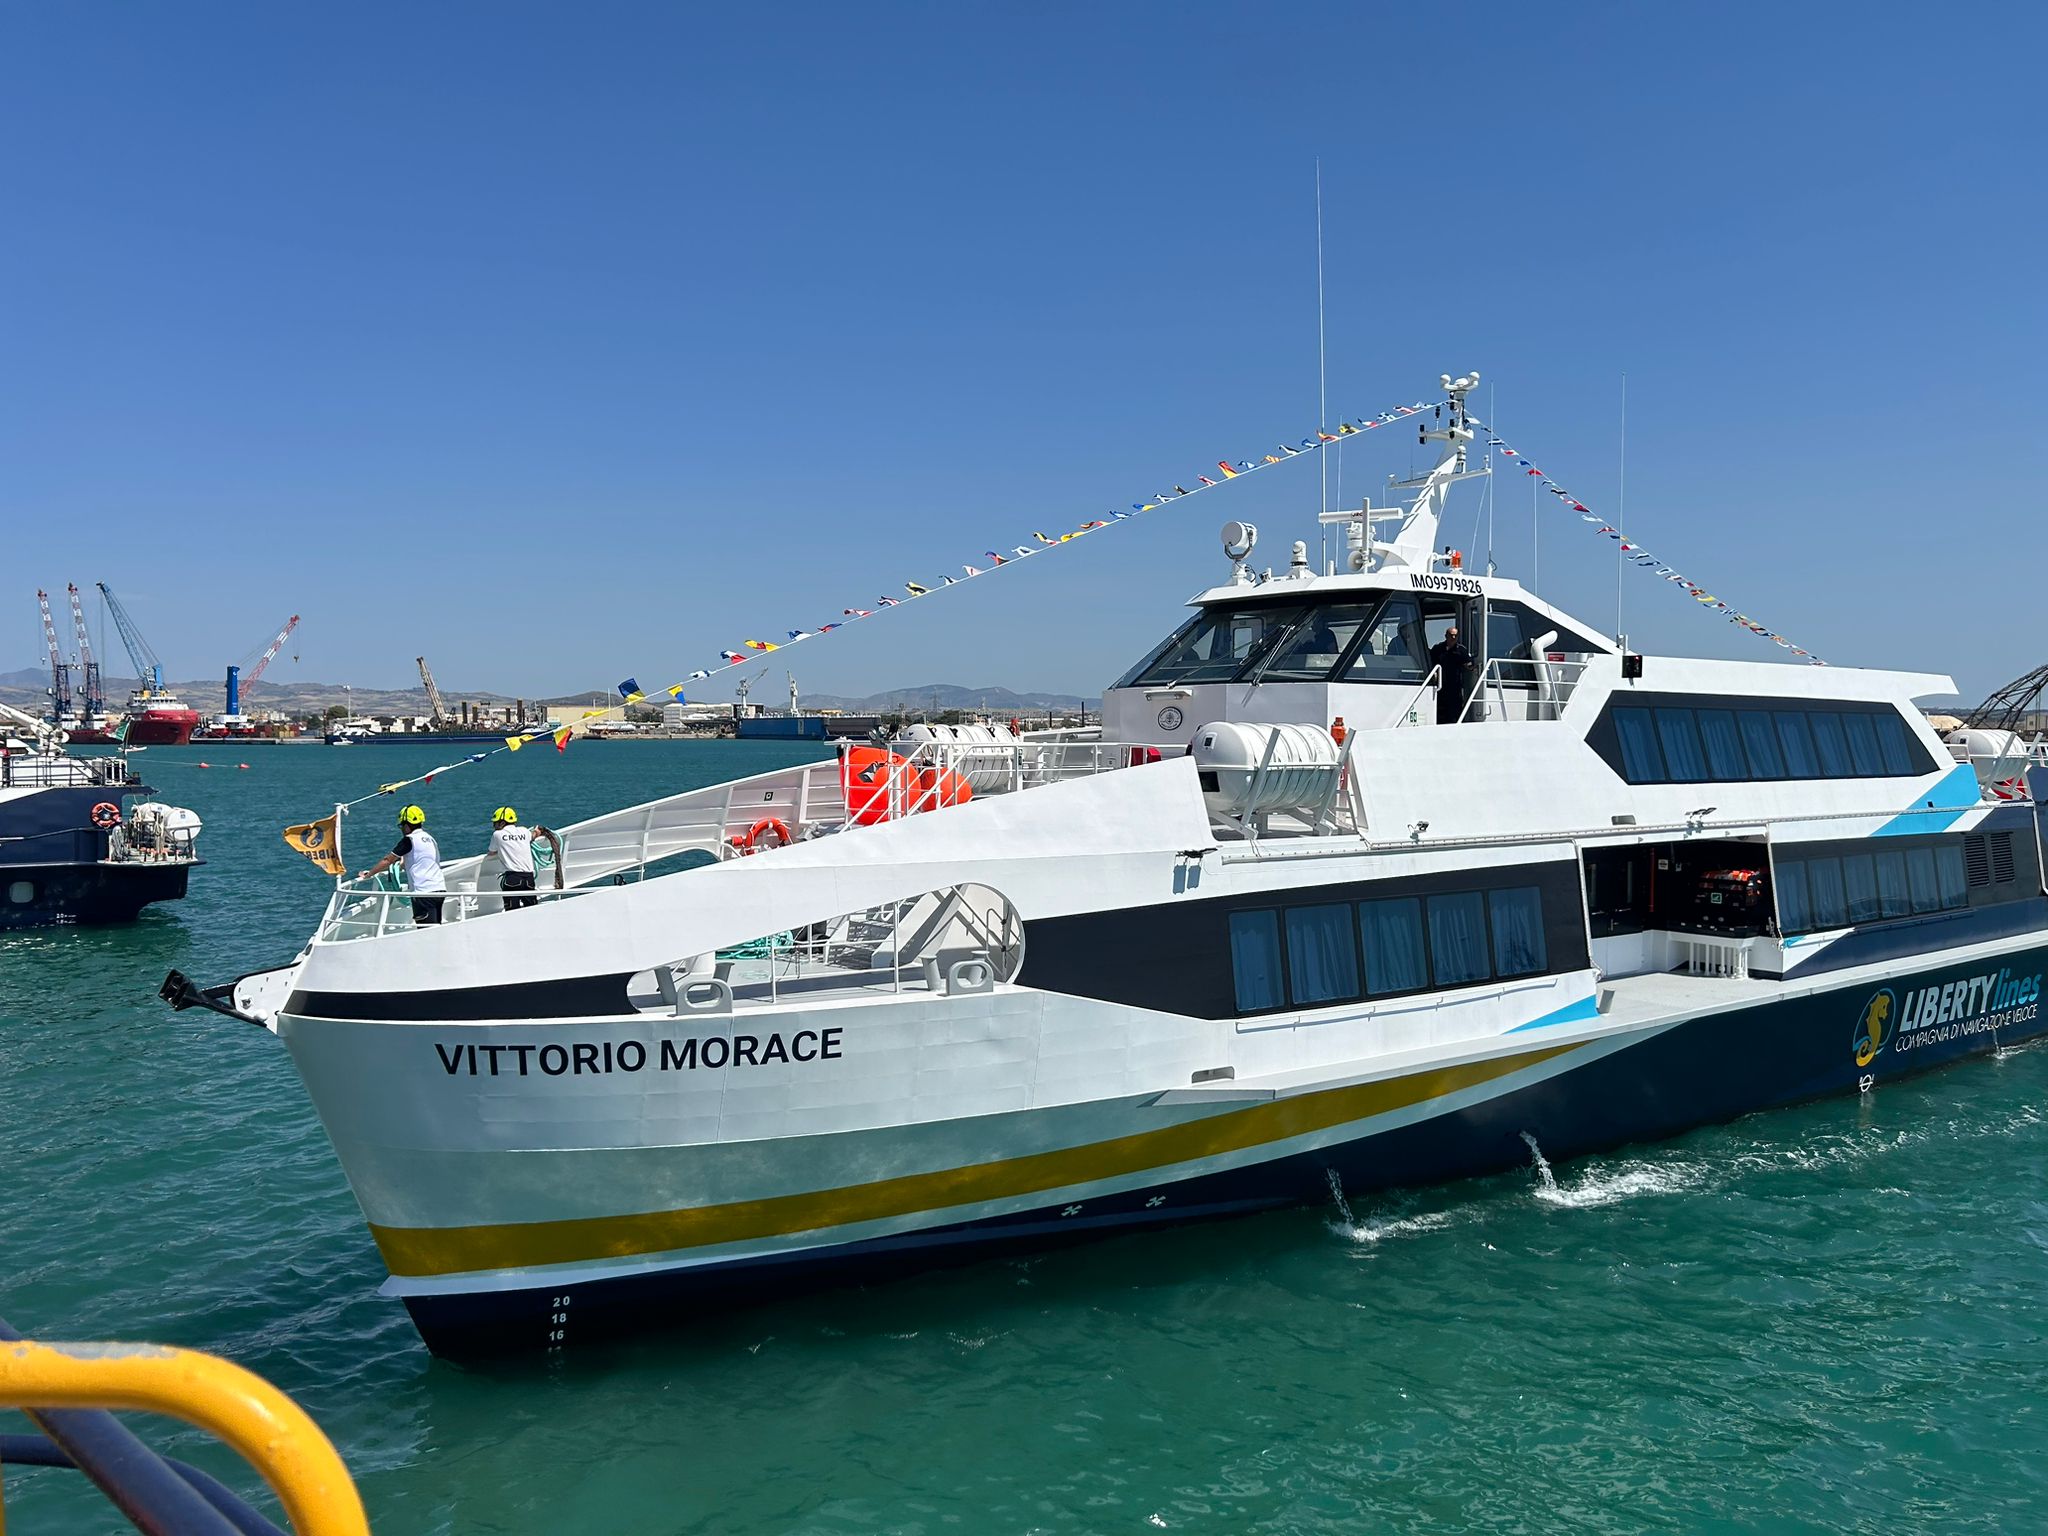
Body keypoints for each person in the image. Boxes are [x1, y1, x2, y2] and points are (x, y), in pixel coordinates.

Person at [355, 804, 447, 926]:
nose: (401, 830)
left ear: (407, 826)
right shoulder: (429, 838)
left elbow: (388, 860)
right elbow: (416, 859)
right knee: (435, 927)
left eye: (401, 826)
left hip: (423, 892)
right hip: (439, 889)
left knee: (426, 930)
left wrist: (369, 874)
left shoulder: (409, 840)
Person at [485, 805, 562, 911]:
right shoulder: (524, 831)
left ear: (502, 822)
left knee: (511, 913)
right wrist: (538, 831)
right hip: (528, 878)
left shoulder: (497, 835)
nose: (494, 826)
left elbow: (491, 852)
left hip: (512, 878)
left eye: (495, 823)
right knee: (531, 910)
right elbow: (534, 835)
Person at [1429, 624, 1475, 725]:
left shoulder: (1461, 650)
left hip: (1455, 686)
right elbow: (1429, 661)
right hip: (1440, 685)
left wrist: (1470, 666)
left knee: (1455, 711)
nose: (1453, 637)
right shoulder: (1437, 649)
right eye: (1451, 635)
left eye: (1455, 635)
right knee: (1439, 711)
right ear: (1446, 636)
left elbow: (1469, 662)